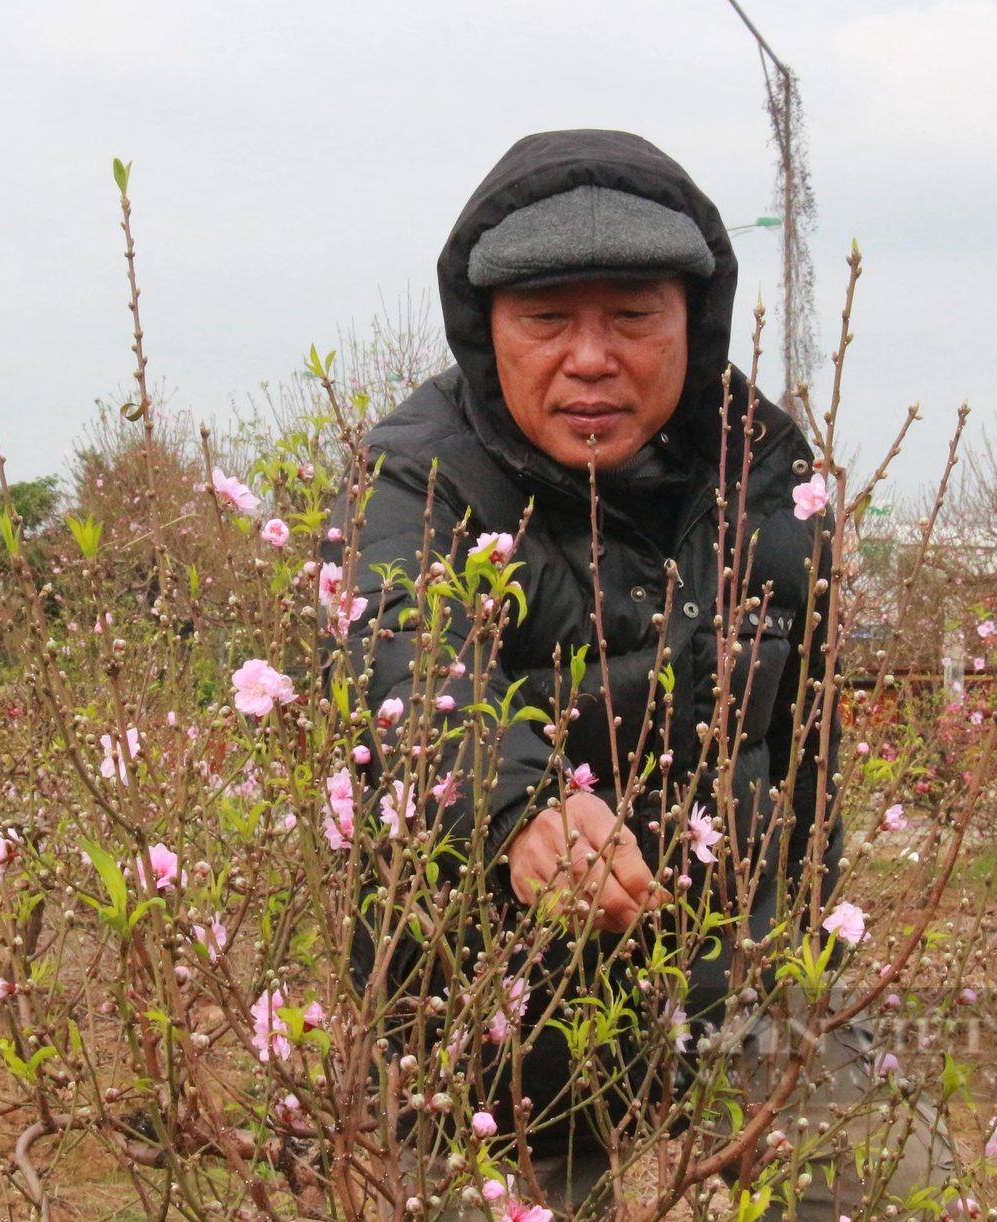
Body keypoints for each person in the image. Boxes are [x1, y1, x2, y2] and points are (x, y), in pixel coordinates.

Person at [338, 130, 950, 1217]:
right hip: (494, 984)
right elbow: (400, 655)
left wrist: (802, 930)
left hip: (733, 957)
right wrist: (521, 801)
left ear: (691, 324)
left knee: (882, 1176)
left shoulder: (764, 466)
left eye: (631, 318)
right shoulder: (416, 473)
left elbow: (800, 738)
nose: (590, 357)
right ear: (486, 332)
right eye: (546, 321)